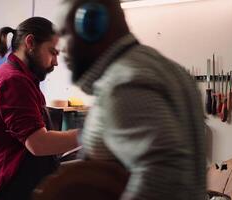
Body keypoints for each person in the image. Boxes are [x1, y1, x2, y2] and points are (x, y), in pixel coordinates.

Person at [54, 0, 206, 199]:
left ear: (92, 25)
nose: (60, 48)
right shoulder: (167, 69)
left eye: (65, 33)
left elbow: (162, 175)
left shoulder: (122, 82)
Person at [0, 17, 79, 200]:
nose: (55, 62)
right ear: (30, 42)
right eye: (52, 52)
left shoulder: (25, 80)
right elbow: (38, 143)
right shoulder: (13, 81)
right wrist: (91, 134)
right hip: (9, 188)